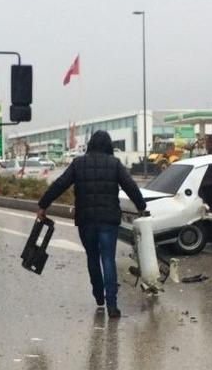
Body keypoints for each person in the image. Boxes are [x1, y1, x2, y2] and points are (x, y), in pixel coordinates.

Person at [37, 130, 147, 318]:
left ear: (90, 145)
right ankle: (112, 305)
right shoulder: (114, 164)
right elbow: (130, 186)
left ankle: (98, 295)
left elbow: (60, 184)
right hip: (108, 220)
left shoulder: (79, 163)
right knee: (108, 260)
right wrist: (141, 207)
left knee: (92, 257)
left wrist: (43, 205)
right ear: (109, 146)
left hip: (86, 220)